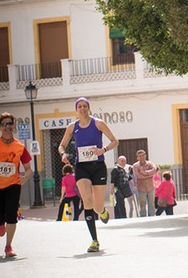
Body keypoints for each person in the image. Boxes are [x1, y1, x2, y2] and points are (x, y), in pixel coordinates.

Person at [58, 98, 118, 253]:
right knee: (87, 201)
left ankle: (102, 211)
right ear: (76, 110)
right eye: (80, 107)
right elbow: (62, 145)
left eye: (85, 106)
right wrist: (63, 154)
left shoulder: (98, 123)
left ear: (89, 108)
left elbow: (114, 141)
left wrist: (103, 150)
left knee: (97, 207)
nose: (82, 109)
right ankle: (94, 241)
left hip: (98, 167)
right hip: (81, 167)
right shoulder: (72, 127)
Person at [0, 111, 33, 257]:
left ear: (13, 125)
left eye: (10, 124)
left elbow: (29, 169)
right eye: (4, 124)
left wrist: (25, 177)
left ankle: (8, 246)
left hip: (13, 185)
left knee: (12, 216)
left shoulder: (20, 147)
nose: (7, 127)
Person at [132, 149, 158, 216]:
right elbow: (138, 176)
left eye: (143, 155)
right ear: (137, 157)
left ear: (145, 155)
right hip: (141, 188)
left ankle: (152, 218)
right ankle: (143, 218)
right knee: (142, 204)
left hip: (151, 187)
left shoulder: (150, 163)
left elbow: (154, 170)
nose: (141, 157)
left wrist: (144, 172)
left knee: (151, 204)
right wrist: (149, 175)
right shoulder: (135, 166)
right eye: (139, 156)